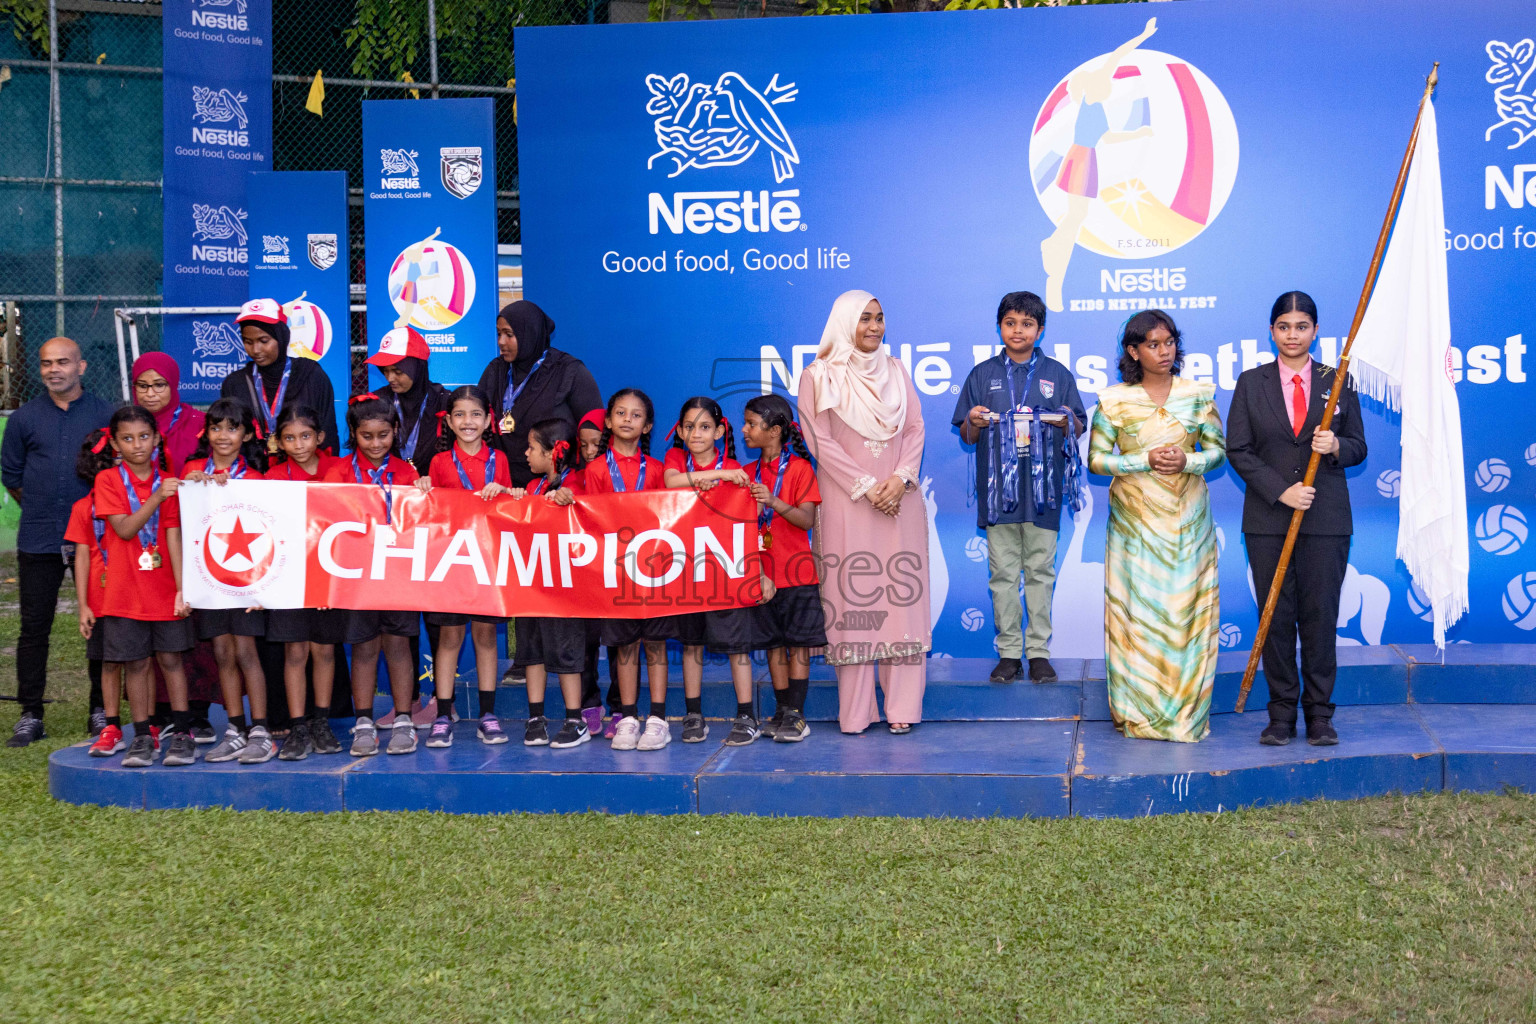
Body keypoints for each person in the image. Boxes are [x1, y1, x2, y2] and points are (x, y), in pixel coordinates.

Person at [1227, 291, 1367, 747]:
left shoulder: (1337, 379)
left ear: (1315, 330)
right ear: (1272, 331)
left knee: (1320, 616)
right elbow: (1239, 450)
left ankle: (1320, 715)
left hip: (1326, 519)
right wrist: (1280, 489)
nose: (1293, 335)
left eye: (1301, 326)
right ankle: (1281, 714)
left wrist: (1336, 449)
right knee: (1277, 616)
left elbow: (1358, 446)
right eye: (1284, 327)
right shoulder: (1251, 382)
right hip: (1268, 518)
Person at [1088, 309, 1226, 743]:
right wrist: (1140, 461)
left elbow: (1220, 451)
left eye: (1168, 343)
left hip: (1190, 524)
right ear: (1133, 350)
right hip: (1135, 528)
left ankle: (1186, 715)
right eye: (1152, 344)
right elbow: (1095, 460)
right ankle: (1139, 716)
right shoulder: (1113, 400)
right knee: (1138, 618)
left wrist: (1190, 460)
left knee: (1188, 617)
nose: (1163, 351)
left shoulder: (1198, 394)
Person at [798, 290, 930, 735]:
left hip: (900, 499)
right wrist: (867, 487)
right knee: (853, 598)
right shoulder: (818, 376)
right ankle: (856, 713)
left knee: (901, 598)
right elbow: (819, 441)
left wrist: (901, 478)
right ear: (844, 322)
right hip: (847, 502)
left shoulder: (895, 370)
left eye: (879, 318)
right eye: (864, 319)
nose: (874, 327)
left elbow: (914, 428)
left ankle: (902, 710)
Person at [953, 291, 1087, 684]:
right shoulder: (982, 374)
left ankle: (1040, 652)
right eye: (1010, 323)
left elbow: (1078, 426)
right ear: (1000, 328)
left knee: (1041, 572)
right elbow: (967, 434)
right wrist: (975, 420)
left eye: (1027, 324)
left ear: (1040, 330)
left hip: (1044, 494)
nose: (1018, 330)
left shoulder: (1057, 374)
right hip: (1000, 497)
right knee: (1003, 575)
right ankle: (1010, 652)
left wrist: (1064, 420)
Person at [2, 335, 114, 746]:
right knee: (34, 628)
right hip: (39, 537)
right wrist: (43, 508)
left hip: (96, 541)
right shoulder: (23, 419)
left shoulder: (107, 415)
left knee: (99, 625)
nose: (54, 370)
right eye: (47, 363)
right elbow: (12, 476)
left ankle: (101, 710)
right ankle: (31, 714)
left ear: (81, 367)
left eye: (63, 362)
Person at [93, 406, 197, 767]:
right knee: (136, 664)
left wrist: (182, 590)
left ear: (156, 439)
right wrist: (156, 497)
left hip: (164, 589)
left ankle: (182, 734)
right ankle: (141, 735)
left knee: (171, 660)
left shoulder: (167, 479)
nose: (137, 445)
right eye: (127, 438)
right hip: (124, 592)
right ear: (115, 444)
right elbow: (123, 529)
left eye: (143, 437)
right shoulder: (108, 480)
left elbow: (172, 537)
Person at [322, 394, 422, 757]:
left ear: (395, 431)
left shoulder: (408, 472)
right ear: (353, 433)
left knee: (397, 646)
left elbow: (420, 524)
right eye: (367, 437)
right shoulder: (338, 472)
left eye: (384, 435)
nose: (376, 444)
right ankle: (363, 722)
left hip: (397, 576)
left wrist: (423, 493)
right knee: (363, 649)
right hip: (356, 578)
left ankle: (404, 720)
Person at [417, 386, 513, 748]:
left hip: (487, 560)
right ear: (449, 421)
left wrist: (505, 492)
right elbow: (430, 513)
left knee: (486, 636)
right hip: (450, 562)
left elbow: (510, 508)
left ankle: (488, 714)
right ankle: (443, 713)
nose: (468, 422)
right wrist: (424, 487)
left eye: (475, 414)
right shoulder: (439, 463)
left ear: (489, 420)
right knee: (449, 639)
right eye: (459, 415)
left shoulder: (499, 460)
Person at [181, 399, 275, 764]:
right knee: (222, 652)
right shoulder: (191, 470)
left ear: (247, 434)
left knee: (247, 652)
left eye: (232, 428)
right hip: (209, 581)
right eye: (216, 428)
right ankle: (235, 728)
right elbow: (180, 520)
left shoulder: (254, 478)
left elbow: (268, 533)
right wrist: (191, 487)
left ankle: (261, 730)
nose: (223, 436)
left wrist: (264, 588)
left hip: (246, 585)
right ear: (206, 432)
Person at [581, 389, 673, 751]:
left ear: (647, 425)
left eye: (636, 415)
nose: (627, 420)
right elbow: (591, 522)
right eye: (620, 412)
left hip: (654, 572)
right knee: (625, 647)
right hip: (616, 573)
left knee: (656, 645)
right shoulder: (595, 469)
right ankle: (629, 718)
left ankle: (659, 719)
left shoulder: (659, 470)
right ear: (608, 421)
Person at [662, 397, 754, 744]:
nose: (696, 433)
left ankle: (746, 715)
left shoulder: (735, 467)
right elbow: (671, 482)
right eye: (689, 426)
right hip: (685, 569)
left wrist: (724, 475)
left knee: (737, 647)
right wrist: (713, 475)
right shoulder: (674, 459)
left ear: (719, 431)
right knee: (691, 644)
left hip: (724, 570)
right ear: (680, 430)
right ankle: (693, 714)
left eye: (704, 427)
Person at [741, 394, 827, 743]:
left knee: (798, 646)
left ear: (774, 430)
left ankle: (797, 713)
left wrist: (774, 501)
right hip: (762, 577)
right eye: (745, 423)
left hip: (797, 573)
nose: (744, 430)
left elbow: (806, 519)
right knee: (773, 645)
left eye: (751, 424)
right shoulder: (745, 473)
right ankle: (780, 710)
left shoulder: (800, 470)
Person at [263, 404, 345, 760]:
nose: (299, 444)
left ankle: (321, 721)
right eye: (290, 438)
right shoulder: (272, 478)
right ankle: (298, 725)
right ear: (279, 442)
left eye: (306, 436)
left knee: (324, 651)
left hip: (327, 575)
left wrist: (334, 577)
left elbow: (346, 523)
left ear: (320, 438)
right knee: (295, 651)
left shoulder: (338, 471)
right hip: (288, 577)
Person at [513, 418, 593, 750]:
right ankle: (536, 718)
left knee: (566, 652)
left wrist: (571, 498)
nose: (526, 453)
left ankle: (576, 720)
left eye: (532, 447)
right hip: (531, 586)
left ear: (552, 452)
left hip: (565, 589)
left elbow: (588, 510)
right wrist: (510, 497)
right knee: (531, 652)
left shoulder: (578, 482)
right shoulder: (532, 488)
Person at [477, 300, 602, 487]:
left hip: (556, 489)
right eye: (499, 333)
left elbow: (594, 430)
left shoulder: (569, 371)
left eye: (509, 335)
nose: (501, 342)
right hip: (500, 485)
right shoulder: (495, 371)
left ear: (531, 334)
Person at [70, 431, 127, 757]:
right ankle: (111, 724)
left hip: (130, 595)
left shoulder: (136, 503)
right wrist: (83, 605)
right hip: (100, 601)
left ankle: (150, 725)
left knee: (140, 663)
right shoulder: (83, 507)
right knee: (108, 664)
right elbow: (81, 556)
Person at [222, 298, 339, 457]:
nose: (255, 350)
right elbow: (228, 438)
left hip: (304, 475)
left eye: (264, 341)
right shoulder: (235, 384)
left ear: (282, 337)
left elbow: (328, 433)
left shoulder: (311, 375)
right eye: (247, 341)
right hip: (251, 476)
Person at [368, 325, 449, 477]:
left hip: (433, 491)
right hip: (388, 488)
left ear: (417, 368)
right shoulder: (376, 402)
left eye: (398, 372)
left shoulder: (444, 401)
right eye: (385, 370)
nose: (390, 378)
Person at [129, 352, 206, 471]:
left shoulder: (200, 424)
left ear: (173, 384)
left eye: (159, 385)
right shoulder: (125, 425)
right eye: (143, 386)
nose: (150, 394)